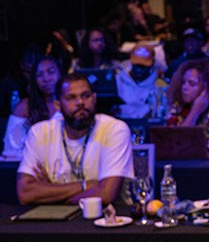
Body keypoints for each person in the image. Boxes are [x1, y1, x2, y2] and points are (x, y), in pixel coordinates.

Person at [17, 73, 133, 206]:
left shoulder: (114, 130)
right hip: (55, 222)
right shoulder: (39, 133)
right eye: (71, 98)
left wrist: (52, 192)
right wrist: (87, 186)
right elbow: (25, 193)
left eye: (86, 96)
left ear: (94, 98)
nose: (80, 103)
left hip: (108, 219)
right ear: (58, 105)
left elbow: (106, 194)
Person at [4, 53, 64, 157]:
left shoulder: (70, 104)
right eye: (39, 75)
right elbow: (12, 148)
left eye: (51, 72)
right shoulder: (25, 106)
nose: (46, 78)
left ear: (60, 74)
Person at [115, 42, 163, 121]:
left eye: (143, 66)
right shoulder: (118, 80)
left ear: (152, 64)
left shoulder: (159, 85)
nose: (139, 69)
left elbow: (159, 114)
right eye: (136, 65)